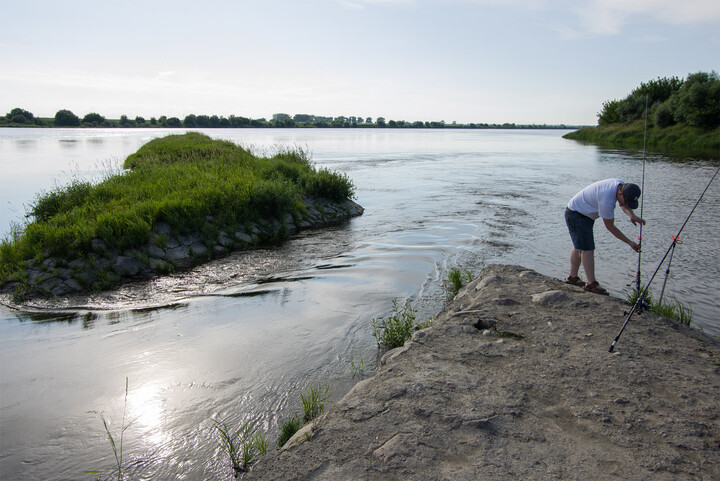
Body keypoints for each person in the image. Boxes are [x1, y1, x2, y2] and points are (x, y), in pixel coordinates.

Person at [564, 179, 645, 295]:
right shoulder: (607, 200)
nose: (627, 205)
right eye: (628, 202)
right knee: (587, 248)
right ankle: (591, 284)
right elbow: (610, 227)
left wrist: (632, 215)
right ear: (621, 193)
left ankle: (572, 277)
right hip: (576, 214)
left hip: (581, 212)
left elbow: (622, 204)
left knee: (579, 245)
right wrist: (629, 242)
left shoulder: (621, 186)